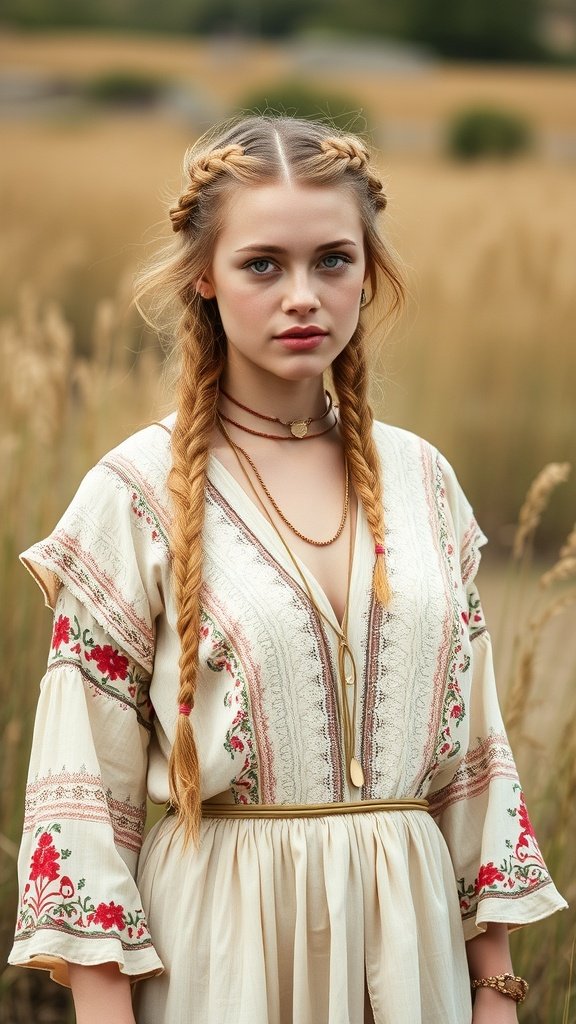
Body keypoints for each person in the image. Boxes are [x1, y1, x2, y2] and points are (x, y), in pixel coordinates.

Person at [9, 115, 566, 1024]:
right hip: (223, 954)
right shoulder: (136, 493)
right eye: (263, 264)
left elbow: (474, 763)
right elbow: (83, 805)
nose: (302, 295)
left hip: (411, 955)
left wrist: (493, 989)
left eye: (333, 261)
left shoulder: (426, 481)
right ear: (205, 276)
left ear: (368, 272)